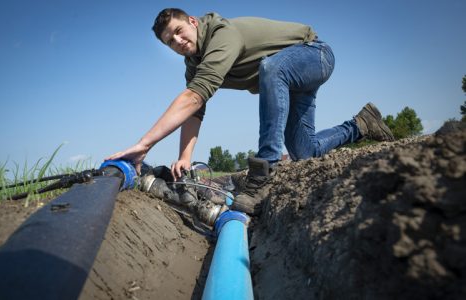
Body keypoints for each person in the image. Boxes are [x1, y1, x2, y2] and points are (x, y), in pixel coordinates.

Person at [105, 8, 394, 215]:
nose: (178, 42)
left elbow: (193, 97)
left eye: (179, 32)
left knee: (270, 67)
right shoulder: (193, 64)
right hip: (289, 80)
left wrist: (144, 145)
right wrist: (184, 157)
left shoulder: (221, 34)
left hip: (313, 55)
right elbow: (196, 110)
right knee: (305, 152)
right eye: (170, 41)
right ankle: (361, 124)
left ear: (192, 22)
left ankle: (262, 173)